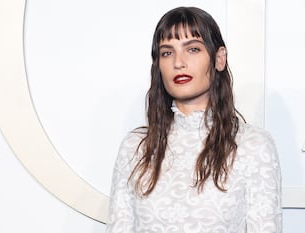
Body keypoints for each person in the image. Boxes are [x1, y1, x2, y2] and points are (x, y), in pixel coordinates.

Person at [106, 6, 282, 233]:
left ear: (219, 59)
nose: (179, 62)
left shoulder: (253, 146)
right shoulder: (135, 147)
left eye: (193, 49)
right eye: (167, 52)